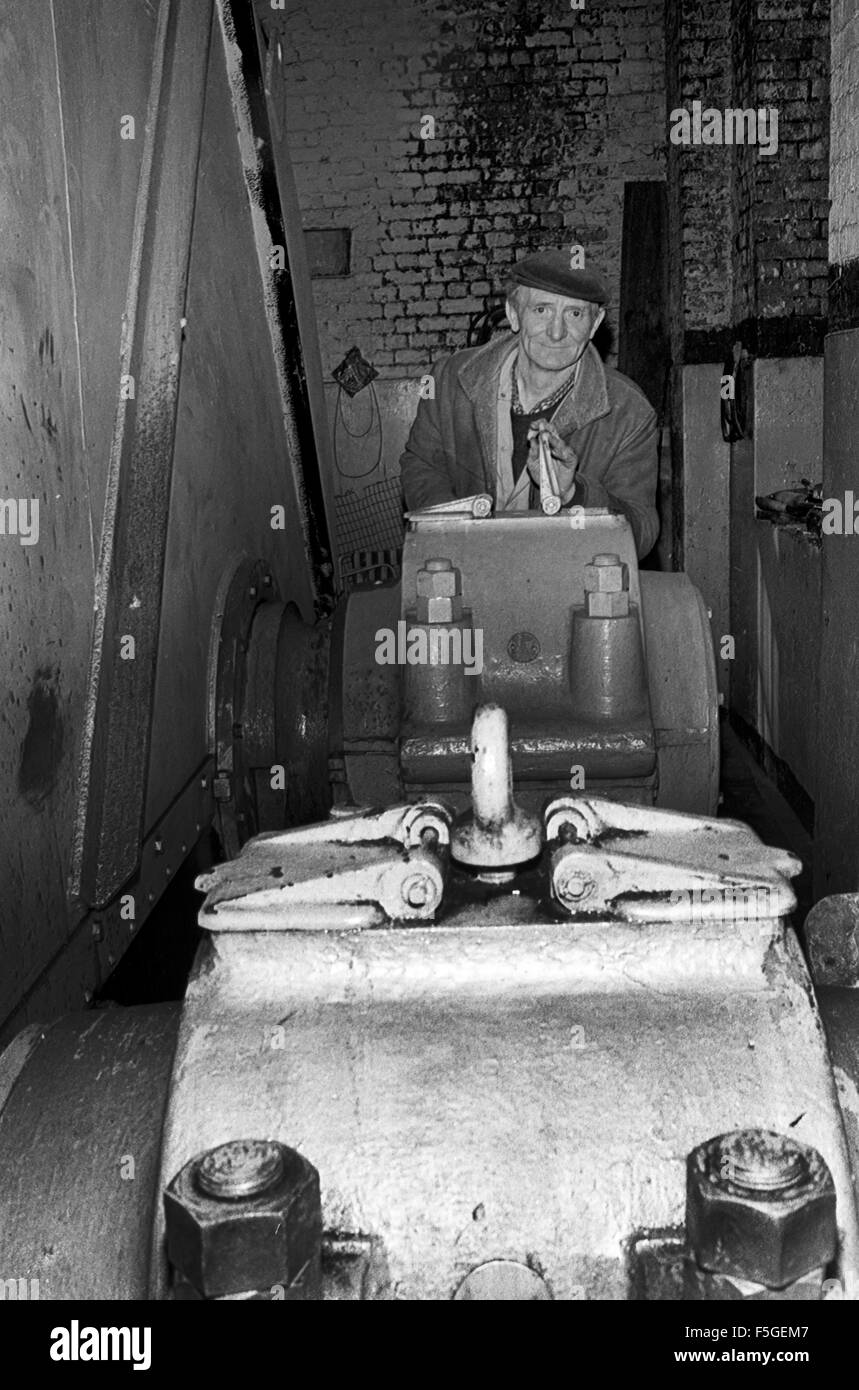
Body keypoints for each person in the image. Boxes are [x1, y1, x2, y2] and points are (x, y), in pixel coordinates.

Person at [399, 248, 659, 558]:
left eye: (574, 314)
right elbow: (421, 465)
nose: (557, 331)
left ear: (595, 323)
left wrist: (575, 493)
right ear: (513, 314)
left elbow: (641, 533)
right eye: (541, 310)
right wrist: (459, 536)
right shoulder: (449, 380)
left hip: (565, 584)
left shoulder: (629, 411)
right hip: (462, 569)